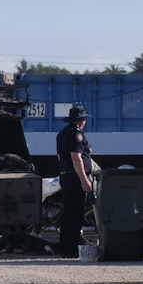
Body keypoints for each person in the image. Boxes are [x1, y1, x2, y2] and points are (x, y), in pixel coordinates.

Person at [56, 105, 94, 258]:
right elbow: (76, 157)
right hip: (75, 177)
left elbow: (60, 157)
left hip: (66, 175)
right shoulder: (76, 135)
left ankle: (65, 247)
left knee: (67, 213)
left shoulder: (61, 134)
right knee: (75, 214)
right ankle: (71, 249)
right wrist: (84, 180)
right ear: (81, 121)